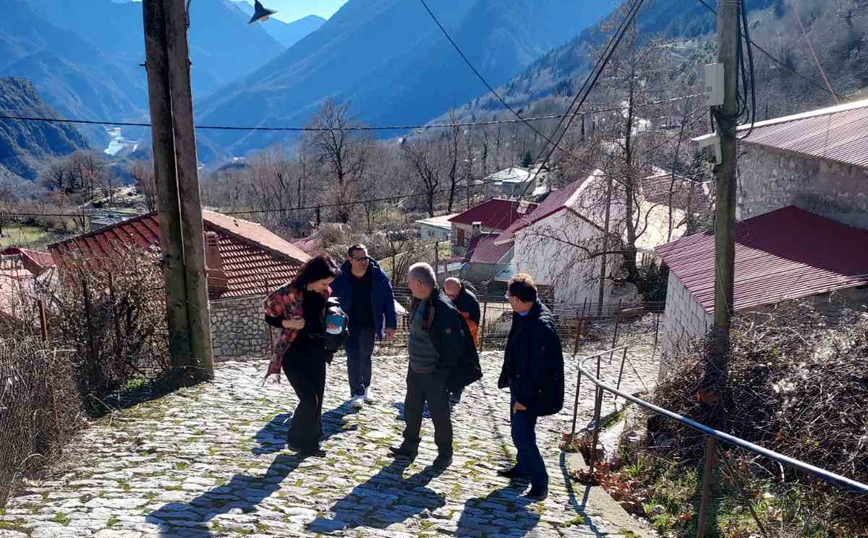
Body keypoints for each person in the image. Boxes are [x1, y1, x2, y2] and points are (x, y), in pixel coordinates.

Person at [390, 263, 476, 470]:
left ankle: (445, 453)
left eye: (410, 282)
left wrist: (443, 372)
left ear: (419, 283)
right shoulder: (419, 301)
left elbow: (454, 346)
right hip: (416, 368)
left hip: (434, 372)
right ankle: (409, 445)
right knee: (412, 408)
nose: (408, 286)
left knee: (439, 414)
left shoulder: (443, 307)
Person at [263, 254, 342, 457]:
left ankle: (311, 444)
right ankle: (295, 439)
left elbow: (324, 314)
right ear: (313, 277)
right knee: (308, 399)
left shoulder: (324, 293)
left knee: (318, 399)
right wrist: (288, 323)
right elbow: (269, 316)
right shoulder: (288, 293)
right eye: (324, 282)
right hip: (293, 352)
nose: (326, 287)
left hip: (317, 350)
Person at [497, 273, 564, 501]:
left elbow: (537, 371)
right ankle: (523, 467)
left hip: (530, 392)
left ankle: (540, 482)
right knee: (521, 431)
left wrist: (524, 400)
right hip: (519, 383)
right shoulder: (527, 312)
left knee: (522, 435)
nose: (508, 301)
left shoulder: (540, 327)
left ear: (517, 299)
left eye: (509, 297)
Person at [331, 244, 398, 409]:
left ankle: (366, 386)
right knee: (353, 356)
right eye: (359, 259)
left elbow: (389, 301)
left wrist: (391, 324)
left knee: (366, 356)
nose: (363, 262)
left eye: (365, 258)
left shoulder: (378, 276)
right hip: (348, 323)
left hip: (370, 322)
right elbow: (332, 300)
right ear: (350, 259)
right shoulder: (340, 277)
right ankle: (357, 392)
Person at [443, 277, 481, 405]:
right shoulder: (444, 295)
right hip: (448, 337)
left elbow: (474, 323)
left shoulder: (470, 300)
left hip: (466, 338)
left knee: (460, 365)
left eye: (452, 295)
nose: (450, 297)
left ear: (459, 288)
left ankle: (457, 391)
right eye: (447, 294)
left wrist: (455, 328)